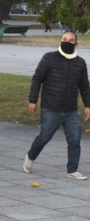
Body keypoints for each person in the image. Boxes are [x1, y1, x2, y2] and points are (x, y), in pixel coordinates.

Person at [24, 31, 90, 179]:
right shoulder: (49, 58)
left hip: (71, 110)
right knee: (44, 137)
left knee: (75, 139)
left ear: (76, 43)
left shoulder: (80, 63)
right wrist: (32, 100)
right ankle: (30, 156)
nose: (67, 42)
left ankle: (72, 170)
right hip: (51, 108)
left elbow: (84, 85)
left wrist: (88, 105)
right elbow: (37, 79)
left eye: (71, 40)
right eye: (64, 39)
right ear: (60, 41)